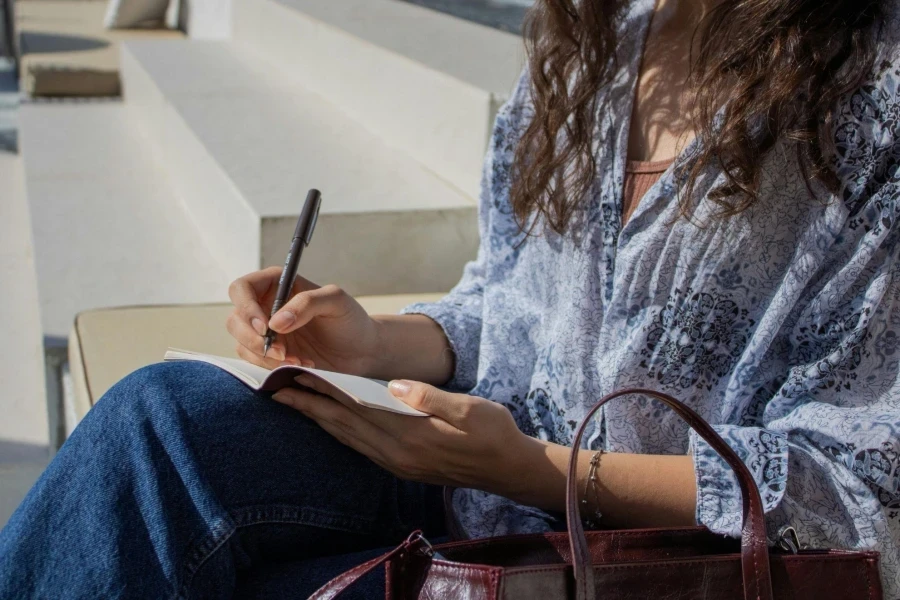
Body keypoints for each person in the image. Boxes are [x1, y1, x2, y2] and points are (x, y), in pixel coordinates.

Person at [3, 0, 899, 596]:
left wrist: (531, 470)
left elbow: (856, 494)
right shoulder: (599, 46)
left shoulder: (875, 104)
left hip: (657, 571)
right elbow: (508, 302)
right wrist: (374, 343)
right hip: (474, 493)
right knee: (159, 423)